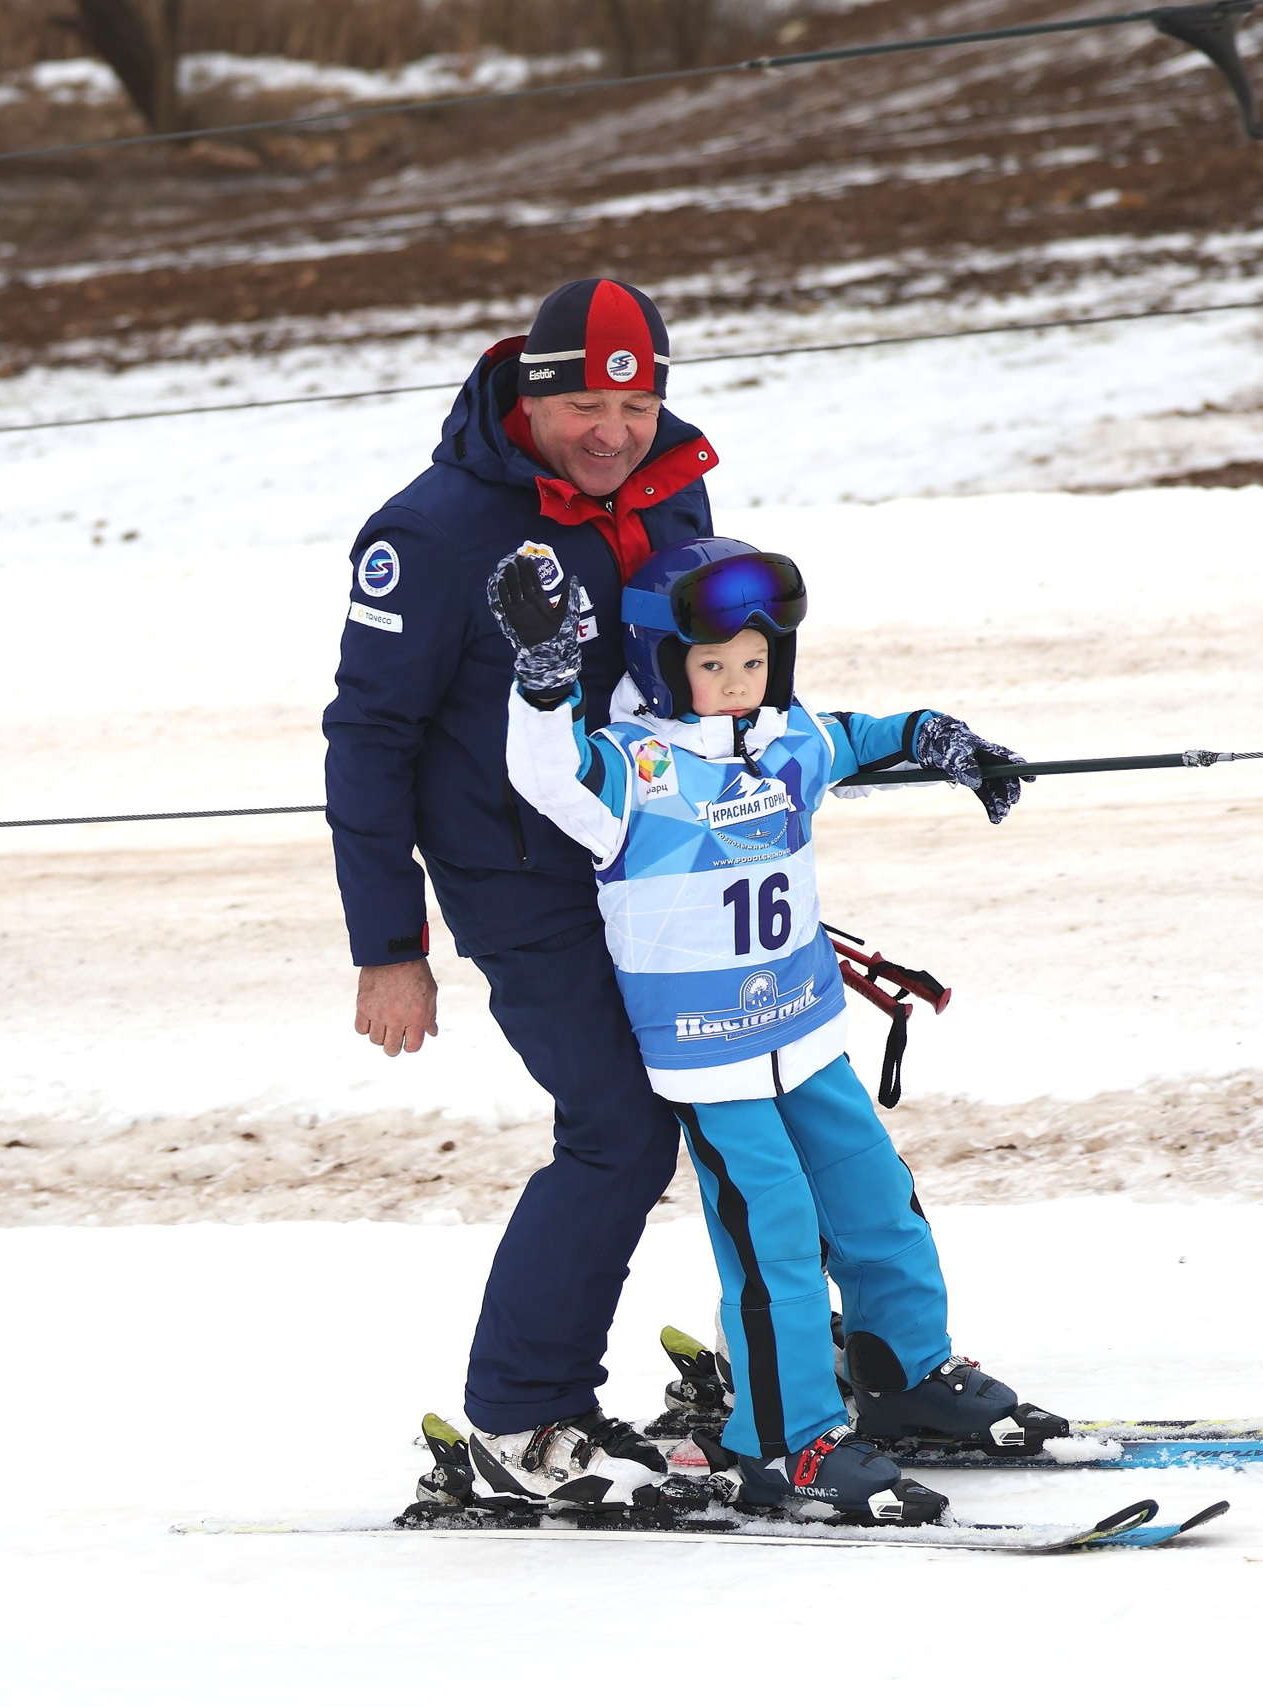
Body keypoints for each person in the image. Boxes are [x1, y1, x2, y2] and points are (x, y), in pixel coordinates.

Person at [490, 535, 1067, 1524]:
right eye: (710, 666)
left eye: (753, 663)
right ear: (665, 667)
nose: (735, 682)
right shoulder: (636, 771)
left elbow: (872, 731)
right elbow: (543, 771)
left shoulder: (792, 741)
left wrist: (949, 743)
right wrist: (543, 677)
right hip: (709, 1058)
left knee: (879, 1202)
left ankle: (903, 1373)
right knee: (776, 1244)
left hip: (805, 1036)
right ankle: (785, 1444)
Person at [323, 279, 722, 1506]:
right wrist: (391, 943)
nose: (613, 431)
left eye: (638, 398)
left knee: (740, 1093)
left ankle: (782, 1369)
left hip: (663, 857)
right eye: (585, 404)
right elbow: (367, 737)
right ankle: (521, 1416)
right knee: (617, 1127)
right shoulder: (434, 531)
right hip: (517, 880)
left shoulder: (671, 491)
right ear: (530, 392)